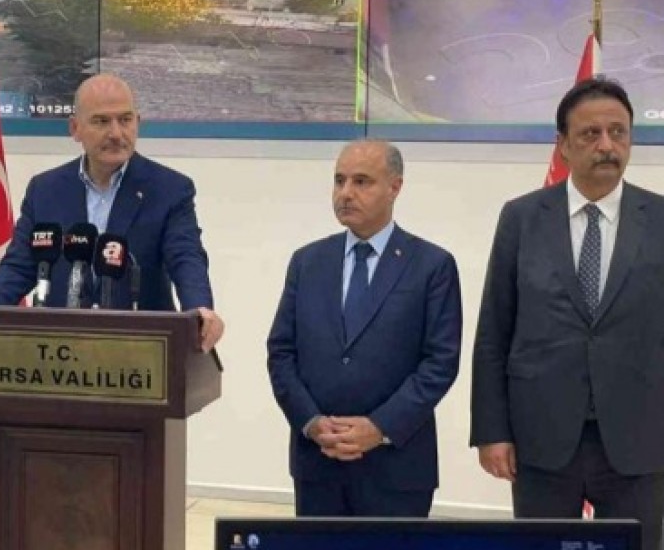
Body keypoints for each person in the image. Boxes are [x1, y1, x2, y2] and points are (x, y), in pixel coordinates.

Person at [472, 78, 664, 550]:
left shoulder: (659, 219)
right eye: (591, 134)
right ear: (562, 144)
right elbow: (495, 329)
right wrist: (492, 432)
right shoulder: (521, 218)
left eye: (618, 132)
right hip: (542, 439)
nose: (607, 145)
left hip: (639, 438)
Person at [266, 140, 462, 517]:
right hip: (318, 463)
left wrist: (380, 427)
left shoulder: (431, 266)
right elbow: (281, 353)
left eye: (361, 182)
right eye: (339, 181)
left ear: (395, 187)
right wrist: (311, 422)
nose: (345, 193)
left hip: (396, 467)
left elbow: (440, 364)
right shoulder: (308, 262)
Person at [0, 74, 224, 352]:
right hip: (59, 352)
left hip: (141, 351)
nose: (116, 133)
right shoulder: (45, 190)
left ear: (138, 123)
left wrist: (199, 308)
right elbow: (18, 267)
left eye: (125, 120)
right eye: (101, 121)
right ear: (75, 128)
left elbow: (186, 256)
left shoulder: (169, 189)